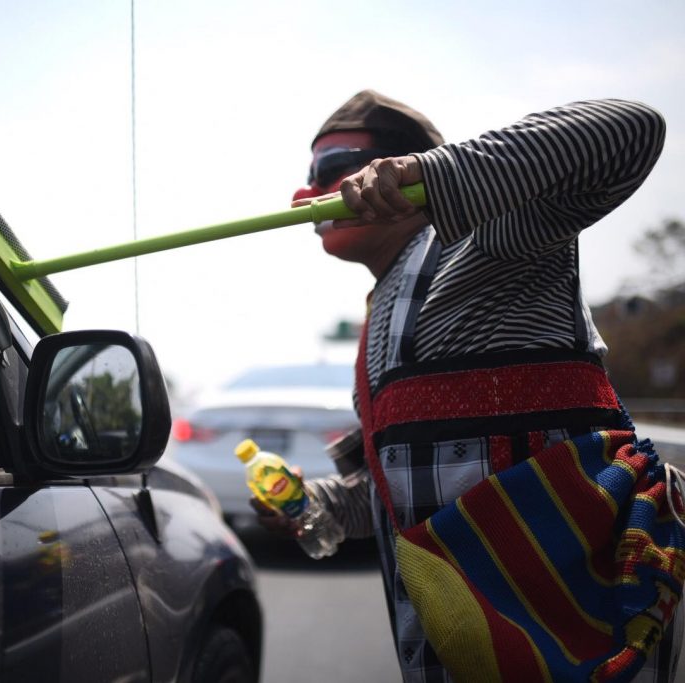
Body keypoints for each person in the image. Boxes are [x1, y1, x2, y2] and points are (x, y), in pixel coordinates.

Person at [251, 90, 680, 680]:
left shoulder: (491, 242)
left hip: (582, 645)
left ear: (397, 172)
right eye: (310, 174)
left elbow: (632, 129)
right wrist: (317, 505)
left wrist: (435, 174)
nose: (312, 192)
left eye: (334, 167)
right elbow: (396, 486)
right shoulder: (377, 316)